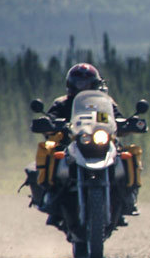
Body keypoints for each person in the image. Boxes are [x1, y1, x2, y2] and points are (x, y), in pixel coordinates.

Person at [44, 63, 140, 218]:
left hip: (102, 142)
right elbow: (51, 118)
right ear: (70, 85)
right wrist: (48, 123)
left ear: (96, 84)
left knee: (128, 155)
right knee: (52, 153)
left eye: (87, 83)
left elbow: (117, 119)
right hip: (72, 143)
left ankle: (129, 194)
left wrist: (130, 123)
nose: (83, 87)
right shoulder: (62, 103)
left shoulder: (105, 103)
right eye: (79, 83)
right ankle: (50, 194)